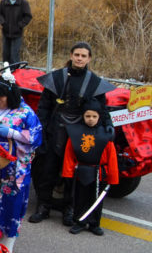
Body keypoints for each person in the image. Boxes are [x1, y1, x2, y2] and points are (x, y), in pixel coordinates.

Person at [31, 42, 112, 226]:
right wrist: (40, 128)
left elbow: (102, 109)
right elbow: (44, 106)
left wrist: (108, 125)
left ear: (89, 58)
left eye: (84, 56)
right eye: (77, 54)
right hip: (55, 129)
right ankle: (43, 207)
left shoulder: (94, 82)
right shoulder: (57, 77)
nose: (80, 58)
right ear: (71, 55)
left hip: (79, 134)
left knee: (71, 175)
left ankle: (69, 210)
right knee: (47, 171)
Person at [0, 76, 43, 250]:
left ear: (10, 95)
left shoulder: (25, 112)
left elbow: (36, 137)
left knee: (11, 202)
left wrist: (12, 133)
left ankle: (7, 242)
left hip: (14, 165)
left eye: (2, 96)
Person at [61, 100, 118, 235]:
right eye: (88, 116)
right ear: (83, 116)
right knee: (80, 198)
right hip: (81, 170)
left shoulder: (105, 134)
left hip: (99, 173)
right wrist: (68, 174)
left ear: (99, 117)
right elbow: (69, 155)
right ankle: (79, 221)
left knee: (97, 199)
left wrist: (112, 178)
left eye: (94, 116)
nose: (91, 119)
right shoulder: (76, 133)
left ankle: (94, 223)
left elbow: (112, 158)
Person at [0, 0, 32, 65]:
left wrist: (20, 25)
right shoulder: (4, 2)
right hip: (6, 32)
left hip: (17, 33)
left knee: (14, 55)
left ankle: (15, 72)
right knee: (6, 54)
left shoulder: (23, 3)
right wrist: (3, 23)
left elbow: (28, 16)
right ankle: (6, 71)